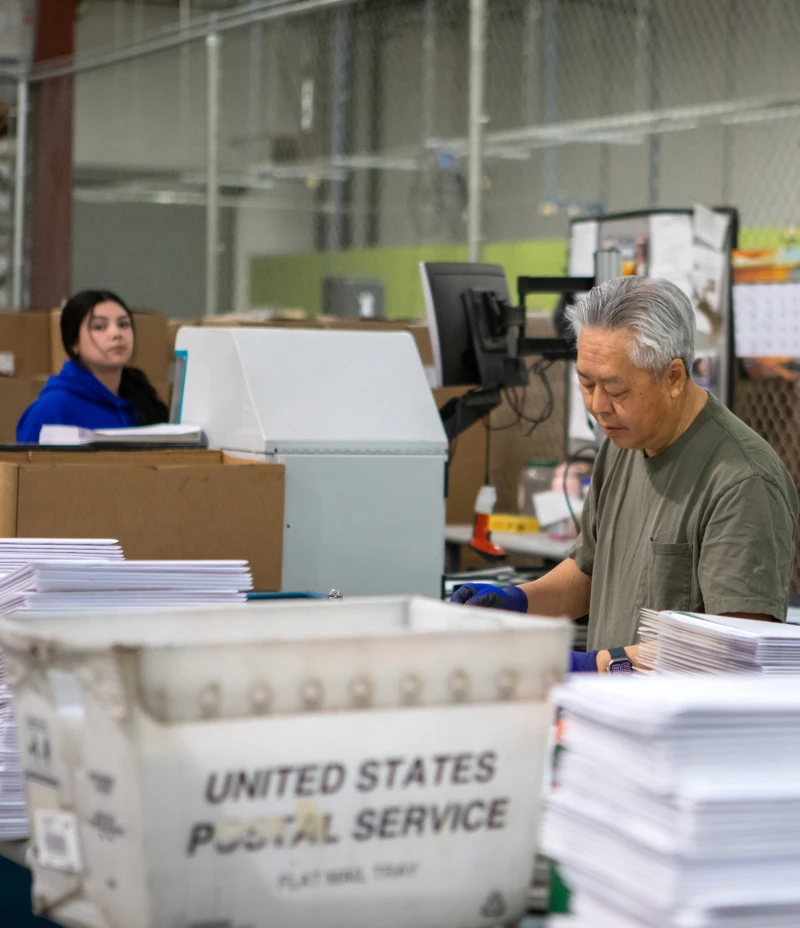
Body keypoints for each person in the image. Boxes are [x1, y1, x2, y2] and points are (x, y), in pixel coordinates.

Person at [452, 277, 799, 672]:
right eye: (586, 383)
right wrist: (517, 602)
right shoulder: (621, 446)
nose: (597, 406)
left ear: (673, 378)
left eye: (616, 391)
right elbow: (589, 572)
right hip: (607, 716)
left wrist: (599, 665)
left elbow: (732, 650)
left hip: (676, 727)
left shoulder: (742, 482)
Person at [17, 290, 169, 444]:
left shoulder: (143, 401)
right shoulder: (52, 409)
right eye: (99, 327)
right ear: (73, 343)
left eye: (123, 324)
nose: (116, 333)